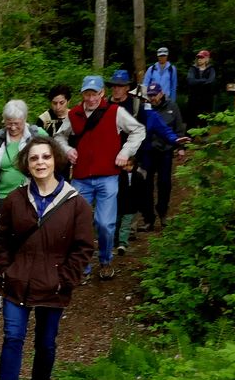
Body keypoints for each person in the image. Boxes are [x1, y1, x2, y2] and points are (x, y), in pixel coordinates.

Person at [0, 136, 95, 380]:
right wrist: (4, 269)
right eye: (34, 158)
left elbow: (83, 247)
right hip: (16, 280)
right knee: (13, 336)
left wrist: (65, 278)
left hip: (53, 284)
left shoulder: (76, 203)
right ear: (26, 164)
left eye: (45, 157)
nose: (40, 163)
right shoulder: (15, 200)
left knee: (46, 342)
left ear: (55, 159)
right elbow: (1, 237)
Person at [55, 75, 144, 282]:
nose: (91, 98)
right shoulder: (75, 114)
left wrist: (125, 152)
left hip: (108, 177)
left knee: (104, 223)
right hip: (81, 178)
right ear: (82, 94)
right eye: (87, 93)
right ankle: (83, 264)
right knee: (79, 223)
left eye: (95, 93)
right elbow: (59, 136)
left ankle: (105, 260)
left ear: (102, 93)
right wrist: (67, 150)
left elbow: (138, 130)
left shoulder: (115, 112)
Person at [105, 71, 149, 258]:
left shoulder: (136, 104)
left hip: (131, 156)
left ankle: (128, 229)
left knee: (131, 191)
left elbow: (144, 130)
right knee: (114, 191)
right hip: (109, 156)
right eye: (114, 85)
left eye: (120, 86)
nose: (116, 89)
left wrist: (139, 158)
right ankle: (113, 230)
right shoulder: (105, 105)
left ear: (127, 87)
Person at [140, 83, 189, 231]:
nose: (152, 98)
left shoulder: (172, 107)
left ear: (161, 94)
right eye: (150, 95)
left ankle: (163, 212)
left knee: (164, 183)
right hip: (148, 151)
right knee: (146, 185)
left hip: (165, 151)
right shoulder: (145, 109)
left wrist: (180, 148)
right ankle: (148, 219)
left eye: (155, 95)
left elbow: (179, 127)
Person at [0, 99, 49, 199]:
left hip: (31, 195)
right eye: (9, 123)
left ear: (24, 119)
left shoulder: (37, 134)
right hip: (2, 196)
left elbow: (51, 159)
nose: (13, 127)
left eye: (17, 123)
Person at [184, 49, 217, 128]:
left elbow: (211, 82)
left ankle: (204, 137)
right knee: (191, 119)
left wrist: (197, 82)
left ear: (207, 59)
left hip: (206, 99)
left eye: (202, 57)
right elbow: (190, 81)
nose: (199, 59)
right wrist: (203, 81)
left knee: (204, 119)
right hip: (193, 98)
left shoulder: (211, 69)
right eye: (198, 57)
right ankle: (189, 137)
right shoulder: (193, 68)